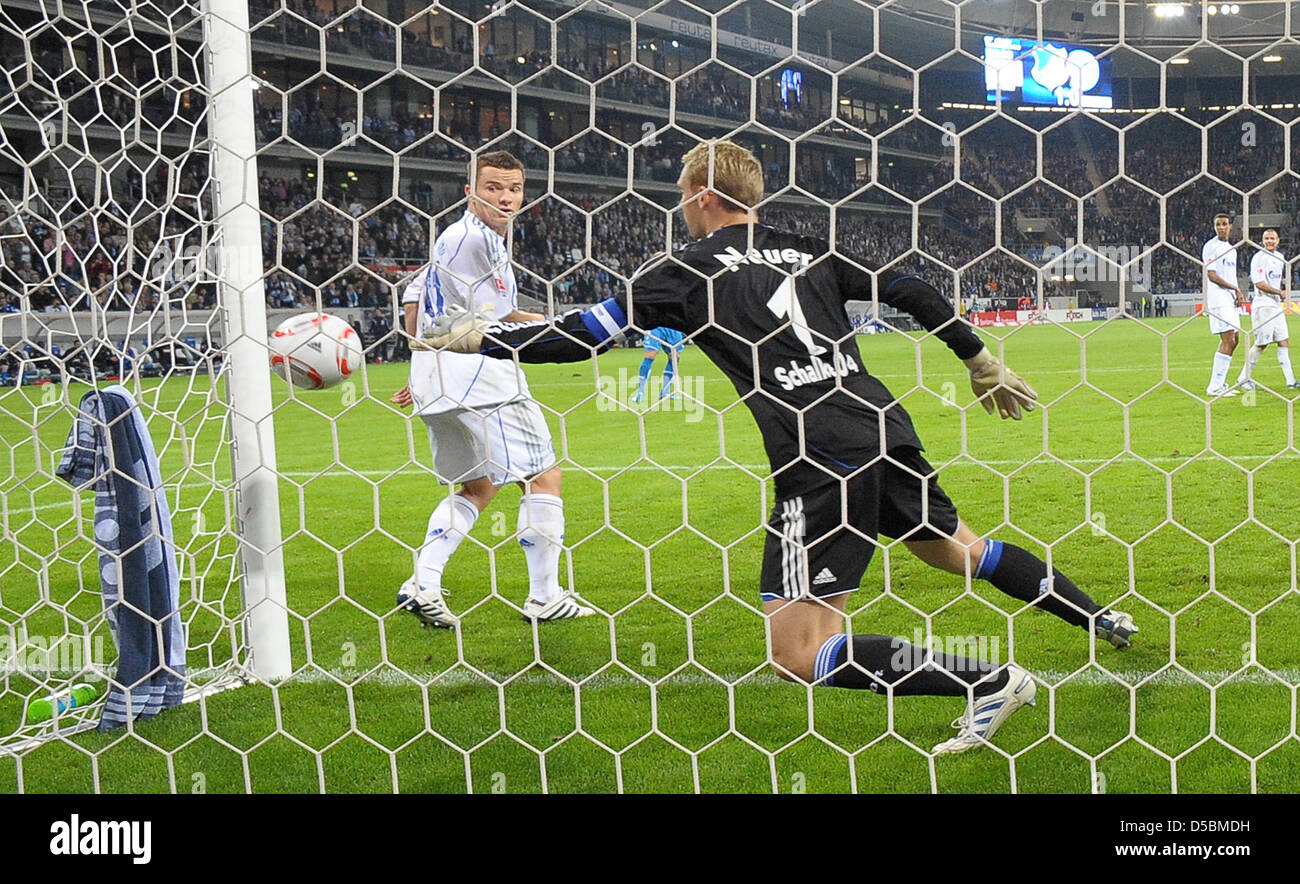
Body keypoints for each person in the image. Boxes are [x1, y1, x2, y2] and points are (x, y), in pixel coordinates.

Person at [425, 140, 1137, 755]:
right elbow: (913, 288)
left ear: (703, 196)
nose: (680, 207)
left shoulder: (683, 271)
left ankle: (989, 680)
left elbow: (577, 336)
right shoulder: (806, 248)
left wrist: (479, 336)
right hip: (880, 423)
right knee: (960, 550)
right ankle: (1100, 617)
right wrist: (978, 357)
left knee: (797, 653)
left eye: (681, 195)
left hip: (818, 455)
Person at [390, 150, 594, 628]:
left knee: (478, 486)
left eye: (514, 189)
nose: (505, 198)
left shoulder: (453, 240)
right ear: (470, 192)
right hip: (482, 377)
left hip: (437, 378)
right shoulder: (475, 240)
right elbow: (496, 321)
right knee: (543, 476)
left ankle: (423, 580)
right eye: (493, 188)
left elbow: (417, 303)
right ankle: (545, 596)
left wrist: (421, 366)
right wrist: (561, 327)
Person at [1237, 228, 1299, 390]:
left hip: (1275, 306)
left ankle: (1291, 381)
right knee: (1261, 343)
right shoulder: (1258, 258)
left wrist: (1282, 291)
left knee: (1284, 341)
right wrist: (1279, 292)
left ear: (1278, 240)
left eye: (1272, 238)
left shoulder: (1280, 257)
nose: (1270, 241)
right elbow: (1259, 284)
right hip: (1263, 306)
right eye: (1267, 238)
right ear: (1262, 241)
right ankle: (1243, 379)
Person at [1203, 214, 1245, 397]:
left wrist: (1236, 293)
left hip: (1230, 300)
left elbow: (1229, 275)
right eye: (1217, 225)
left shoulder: (1231, 249)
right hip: (1218, 299)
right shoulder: (1211, 246)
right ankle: (1214, 387)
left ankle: (1220, 382)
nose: (1221, 227)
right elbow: (1211, 274)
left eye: (1224, 224)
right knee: (1228, 339)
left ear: (1230, 226)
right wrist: (1235, 288)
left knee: (1235, 339)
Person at [632, 326, 686, 404]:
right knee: (650, 355)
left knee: (674, 359)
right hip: (655, 328)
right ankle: (640, 393)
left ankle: (665, 393)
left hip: (675, 331)